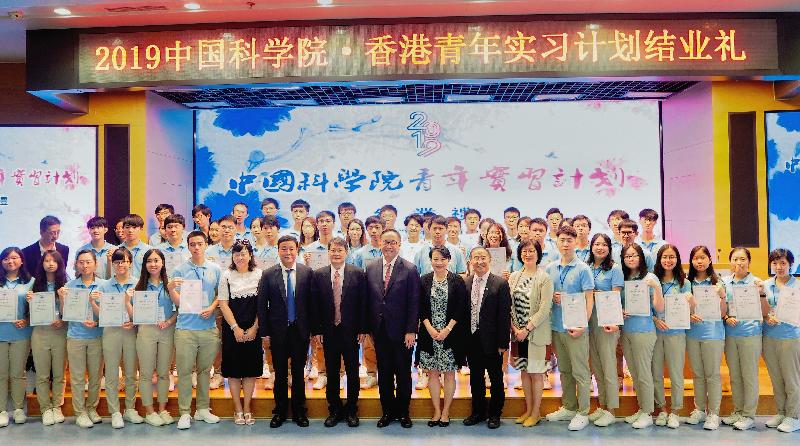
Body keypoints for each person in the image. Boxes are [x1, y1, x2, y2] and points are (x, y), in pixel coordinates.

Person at [257, 235, 314, 428]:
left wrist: (314, 330)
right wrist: (264, 332)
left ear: (297, 249)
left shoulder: (307, 272)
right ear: (278, 250)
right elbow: (261, 306)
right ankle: (280, 411)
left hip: (300, 332)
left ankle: (299, 411)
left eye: (291, 248)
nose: (287, 252)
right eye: (283, 249)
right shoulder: (268, 274)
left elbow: (311, 304)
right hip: (277, 332)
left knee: (298, 373)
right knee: (280, 373)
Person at [365, 229, 420, 428]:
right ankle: (387, 412)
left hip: (403, 333)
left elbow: (414, 302)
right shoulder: (370, 268)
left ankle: (404, 412)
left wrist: (411, 330)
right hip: (379, 331)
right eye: (386, 242)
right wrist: (367, 329)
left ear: (399, 244)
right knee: (385, 373)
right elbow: (368, 301)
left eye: (393, 242)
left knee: (403, 373)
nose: (389, 246)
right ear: (380, 243)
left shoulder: (410, 268)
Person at [311, 237, 368, 428]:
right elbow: (315, 305)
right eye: (333, 250)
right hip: (328, 331)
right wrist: (317, 329)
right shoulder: (318, 275)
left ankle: (352, 409)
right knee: (332, 372)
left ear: (346, 252)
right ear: (328, 253)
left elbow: (363, 304)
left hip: (351, 331)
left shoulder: (358, 273)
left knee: (352, 372)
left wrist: (362, 328)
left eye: (340, 251)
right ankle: (334, 409)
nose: (336, 254)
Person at [170, 231, 222, 430]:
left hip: (208, 328)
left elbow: (221, 294)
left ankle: (202, 409)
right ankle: (184, 412)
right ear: (188, 246)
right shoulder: (180, 270)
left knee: (204, 371)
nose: (196, 247)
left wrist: (212, 307)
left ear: (206, 244)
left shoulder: (215, 269)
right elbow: (177, 302)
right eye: (192, 244)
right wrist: (171, 288)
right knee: (184, 372)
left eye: (200, 243)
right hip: (185, 329)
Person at [544, 226, 594, 431]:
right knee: (564, 370)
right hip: (556, 327)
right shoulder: (550, 268)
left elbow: (589, 299)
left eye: (569, 240)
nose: (565, 244)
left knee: (581, 372)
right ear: (557, 241)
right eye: (562, 240)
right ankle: (569, 407)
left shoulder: (583, 268)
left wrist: (584, 324)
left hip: (576, 328)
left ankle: (583, 412)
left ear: (575, 242)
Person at [462, 247, 511, 430]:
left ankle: (495, 414)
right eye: (476, 258)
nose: (479, 261)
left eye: (483, 257)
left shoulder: (500, 283)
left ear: (489, 260)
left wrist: (502, 343)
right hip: (471, 339)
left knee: (496, 379)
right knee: (475, 378)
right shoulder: (465, 283)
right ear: (470, 261)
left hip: (492, 341)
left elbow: (504, 315)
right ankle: (478, 412)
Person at [418, 247, 467, 428]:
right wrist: (429, 328)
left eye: (442, 259)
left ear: (449, 260)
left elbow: (461, 307)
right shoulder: (424, 280)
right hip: (428, 334)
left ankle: (446, 411)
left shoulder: (457, 280)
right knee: (432, 373)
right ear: (430, 260)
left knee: (448, 374)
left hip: (451, 334)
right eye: (435, 259)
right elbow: (420, 307)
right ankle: (436, 411)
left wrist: (447, 329)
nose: (439, 262)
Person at [96, 246, 143, 428]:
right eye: (116, 261)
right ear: (112, 264)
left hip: (131, 332)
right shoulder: (104, 286)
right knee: (112, 373)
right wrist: (94, 302)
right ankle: (115, 411)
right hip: (111, 332)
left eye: (124, 261)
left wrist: (135, 321)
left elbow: (143, 312)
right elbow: (100, 313)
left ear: (130, 263)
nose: (120, 265)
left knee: (131, 372)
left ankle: (130, 409)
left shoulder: (138, 284)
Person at [508, 240, 553, 428]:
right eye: (524, 251)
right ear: (520, 254)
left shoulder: (544, 278)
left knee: (536, 374)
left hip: (535, 334)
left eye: (532, 251)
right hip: (518, 335)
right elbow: (508, 305)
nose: (528, 254)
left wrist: (527, 329)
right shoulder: (514, 277)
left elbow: (544, 308)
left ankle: (536, 413)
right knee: (524, 373)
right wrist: (515, 329)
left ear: (538, 253)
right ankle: (528, 409)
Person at [218, 241, 263, 426]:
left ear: (250, 255)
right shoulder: (227, 275)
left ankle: (247, 408)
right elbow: (223, 303)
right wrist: (235, 327)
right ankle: (237, 409)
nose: (240, 257)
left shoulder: (259, 274)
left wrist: (254, 328)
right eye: (236, 254)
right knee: (234, 371)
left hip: (254, 327)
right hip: (232, 329)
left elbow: (263, 304)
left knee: (250, 370)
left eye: (243, 253)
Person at [620, 243, 664, 429]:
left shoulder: (650, 277)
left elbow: (660, 308)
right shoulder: (623, 278)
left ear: (641, 257)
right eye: (627, 256)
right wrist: (620, 312)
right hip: (626, 331)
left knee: (644, 373)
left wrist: (657, 288)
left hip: (644, 331)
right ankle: (641, 408)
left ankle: (647, 412)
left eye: (634, 255)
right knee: (635, 373)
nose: (631, 259)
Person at [718, 247, 762, 431]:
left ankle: (749, 414)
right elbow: (722, 309)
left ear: (749, 262)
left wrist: (760, 292)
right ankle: (738, 410)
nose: (739, 263)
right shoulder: (724, 282)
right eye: (735, 259)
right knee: (735, 375)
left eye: (743, 259)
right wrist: (727, 317)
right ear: (730, 262)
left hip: (750, 333)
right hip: (731, 333)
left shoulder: (757, 283)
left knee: (749, 375)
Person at [132, 249, 177, 427]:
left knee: (164, 373)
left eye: (156, 260)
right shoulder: (140, 287)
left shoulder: (170, 285)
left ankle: (163, 409)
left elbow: (179, 309)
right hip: (146, 331)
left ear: (163, 263)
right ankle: (150, 411)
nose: (153, 264)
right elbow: (134, 313)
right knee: (146, 373)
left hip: (167, 330)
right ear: (145, 265)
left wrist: (168, 321)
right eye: (149, 261)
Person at [685, 245, 727, 430]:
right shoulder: (687, 283)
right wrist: (688, 314)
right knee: (698, 374)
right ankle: (700, 409)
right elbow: (680, 310)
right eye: (696, 258)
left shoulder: (718, 283)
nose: (699, 261)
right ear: (691, 261)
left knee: (712, 374)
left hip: (713, 333)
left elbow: (724, 313)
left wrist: (723, 296)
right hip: (692, 334)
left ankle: (714, 413)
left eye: (703, 257)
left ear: (710, 260)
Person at [61, 250, 103, 428]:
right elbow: (64, 314)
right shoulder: (69, 286)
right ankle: (80, 412)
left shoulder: (104, 285)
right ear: (76, 264)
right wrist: (62, 298)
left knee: (95, 376)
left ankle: (92, 408)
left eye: (88, 262)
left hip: (97, 336)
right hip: (76, 336)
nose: (85, 266)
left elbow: (109, 313)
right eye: (81, 262)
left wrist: (97, 321)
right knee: (77, 377)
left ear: (95, 264)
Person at [652, 244, 693, 429]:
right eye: (665, 257)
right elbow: (645, 307)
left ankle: (675, 411)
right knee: (656, 373)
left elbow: (691, 310)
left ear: (677, 260)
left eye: (672, 257)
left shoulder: (685, 283)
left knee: (677, 374)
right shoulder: (653, 281)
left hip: (676, 333)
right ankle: (661, 410)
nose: (668, 260)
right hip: (655, 332)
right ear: (659, 260)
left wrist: (691, 302)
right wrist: (654, 319)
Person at [586, 233, 624, 427]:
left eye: (604, 244)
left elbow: (615, 297)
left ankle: (612, 409)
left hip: (607, 321)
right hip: (588, 321)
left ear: (609, 248)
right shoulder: (586, 267)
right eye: (597, 244)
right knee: (597, 366)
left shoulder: (614, 269)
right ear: (591, 247)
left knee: (609, 365)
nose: (600, 247)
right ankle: (602, 404)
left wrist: (594, 295)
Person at [26, 250, 68, 426]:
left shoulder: (66, 284)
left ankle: (57, 406)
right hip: (40, 333)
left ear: (59, 264)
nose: (50, 263)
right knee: (42, 374)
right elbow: (28, 313)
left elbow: (69, 313)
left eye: (54, 261)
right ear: (41, 263)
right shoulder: (35, 285)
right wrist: (30, 301)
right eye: (47, 260)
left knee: (59, 373)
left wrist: (62, 308)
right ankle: (45, 408)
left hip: (60, 332)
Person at [762, 248, 800, 433]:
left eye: (783, 263)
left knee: (791, 379)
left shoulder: (797, 286)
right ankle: (782, 412)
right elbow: (760, 311)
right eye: (775, 263)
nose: (779, 267)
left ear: (790, 264)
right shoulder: (765, 285)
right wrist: (766, 317)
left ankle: (794, 416)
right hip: (769, 337)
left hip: (790, 338)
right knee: (776, 379)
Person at [0, 247, 33, 427]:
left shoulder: (31, 282)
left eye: (14, 258)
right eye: (5, 258)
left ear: (21, 260)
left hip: (21, 334)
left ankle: (19, 408)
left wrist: (27, 319)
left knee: (18, 373)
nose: (10, 261)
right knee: (1, 374)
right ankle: (2, 410)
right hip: (0, 334)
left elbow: (38, 308)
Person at [119, 214, 152, 278]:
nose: (130, 231)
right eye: (127, 227)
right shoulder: (117, 250)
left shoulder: (149, 250)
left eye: (134, 227)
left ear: (141, 228)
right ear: (123, 228)